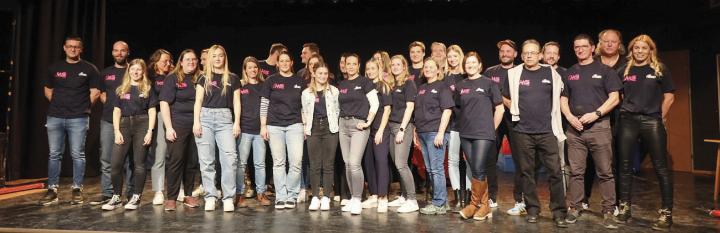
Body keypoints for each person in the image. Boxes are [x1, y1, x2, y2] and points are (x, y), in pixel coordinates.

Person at [502, 39, 568, 227]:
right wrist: (515, 108)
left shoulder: (551, 73)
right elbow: (505, 97)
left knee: (555, 172)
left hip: (547, 131)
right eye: (526, 53)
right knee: (527, 172)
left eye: (533, 52)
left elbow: (561, 96)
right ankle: (532, 209)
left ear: (540, 55)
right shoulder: (514, 73)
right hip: (523, 131)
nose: (529, 55)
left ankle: (558, 211)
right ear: (522, 56)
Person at [614, 34, 675, 231]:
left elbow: (669, 96)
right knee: (623, 166)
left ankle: (666, 213)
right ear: (631, 50)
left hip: (651, 121)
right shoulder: (624, 70)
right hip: (628, 121)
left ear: (651, 50)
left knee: (661, 168)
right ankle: (624, 207)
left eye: (644, 48)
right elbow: (620, 95)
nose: (640, 51)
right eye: (636, 48)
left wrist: (659, 117)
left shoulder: (659, 69)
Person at [561, 34, 622, 229]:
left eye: (584, 46)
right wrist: (570, 117)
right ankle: (575, 207)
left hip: (599, 127)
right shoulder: (569, 72)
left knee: (605, 172)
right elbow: (563, 99)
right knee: (576, 172)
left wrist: (596, 114)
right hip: (575, 129)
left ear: (593, 48)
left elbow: (615, 97)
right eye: (576, 47)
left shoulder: (605, 71)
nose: (580, 50)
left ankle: (609, 211)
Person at [39, 36, 101, 206]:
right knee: (54, 154)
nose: (73, 49)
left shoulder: (89, 69)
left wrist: (82, 108)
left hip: (79, 118)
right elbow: (47, 89)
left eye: (76, 47)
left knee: (77, 154)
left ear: (81, 49)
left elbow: (95, 91)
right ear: (64, 48)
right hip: (55, 116)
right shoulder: (55, 67)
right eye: (70, 46)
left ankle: (77, 189)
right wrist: (60, 105)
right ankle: (52, 190)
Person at [102, 59, 157, 211]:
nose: (135, 72)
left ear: (143, 71)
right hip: (124, 125)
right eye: (133, 69)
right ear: (129, 71)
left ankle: (136, 196)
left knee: (139, 164)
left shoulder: (147, 88)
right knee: (115, 164)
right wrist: (116, 130)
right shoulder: (121, 89)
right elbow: (116, 111)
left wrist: (149, 131)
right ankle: (116, 197)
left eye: (139, 69)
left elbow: (152, 110)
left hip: (142, 123)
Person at [455, 52, 504, 221]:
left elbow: (500, 109)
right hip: (466, 133)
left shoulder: (489, 83)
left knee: (479, 168)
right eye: (467, 62)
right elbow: (458, 109)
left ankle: (475, 204)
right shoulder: (460, 85)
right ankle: (484, 206)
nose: (470, 65)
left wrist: (491, 128)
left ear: (480, 65)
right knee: (476, 169)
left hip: (483, 133)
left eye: (473, 62)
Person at [193, 45, 241, 212]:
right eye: (215, 56)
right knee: (206, 160)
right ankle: (210, 196)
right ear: (210, 58)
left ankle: (228, 197)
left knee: (230, 158)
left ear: (225, 58)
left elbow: (236, 102)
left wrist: (236, 123)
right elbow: (198, 101)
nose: (218, 59)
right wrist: (196, 122)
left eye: (221, 56)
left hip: (225, 119)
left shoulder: (233, 78)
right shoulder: (203, 77)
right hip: (205, 118)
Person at [90, 41, 134, 206]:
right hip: (108, 120)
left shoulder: (134, 70)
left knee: (130, 160)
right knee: (107, 158)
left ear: (128, 52)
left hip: (130, 120)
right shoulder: (105, 73)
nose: (119, 53)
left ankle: (131, 194)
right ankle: (109, 193)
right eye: (116, 50)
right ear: (112, 52)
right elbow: (101, 93)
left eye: (123, 51)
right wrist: (113, 106)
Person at [260, 51, 305, 209]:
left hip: (295, 125)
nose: (285, 63)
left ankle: (291, 195)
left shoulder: (300, 81)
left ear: (292, 62)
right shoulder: (270, 80)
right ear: (277, 63)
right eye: (282, 61)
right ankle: (281, 196)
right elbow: (264, 103)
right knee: (279, 162)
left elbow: (304, 106)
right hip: (275, 126)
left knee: (296, 162)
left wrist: (305, 126)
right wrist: (263, 126)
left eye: (288, 61)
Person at [159, 49, 202, 211]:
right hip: (177, 124)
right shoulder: (173, 78)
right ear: (181, 62)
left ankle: (188, 194)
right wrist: (169, 127)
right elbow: (164, 103)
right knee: (176, 161)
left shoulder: (200, 78)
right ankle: (171, 197)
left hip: (197, 125)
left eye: (194, 59)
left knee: (191, 161)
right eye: (188, 59)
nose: (191, 62)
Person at [337, 53, 379, 215]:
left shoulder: (365, 82)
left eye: (354, 64)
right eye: (348, 64)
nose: (351, 66)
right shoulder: (342, 84)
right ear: (345, 65)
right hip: (343, 125)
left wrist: (368, 122)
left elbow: (374, 104)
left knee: (355, 163)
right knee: (347, 163)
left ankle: (357, 198)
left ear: (358, 65)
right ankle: (354, 198)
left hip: (358, 126)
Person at [483, 39, 519, 212]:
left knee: (520, 161)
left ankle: (519, 199)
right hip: (494, 119)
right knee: (490, 159)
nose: (505, 54)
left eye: (508, 51)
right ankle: (491, 197)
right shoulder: (490, 72)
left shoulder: (521, 71)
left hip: (515, 120)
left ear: (515, 54)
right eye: (502, 51)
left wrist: (501, 98)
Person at [415, 58, 454, 215]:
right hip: (423, 132)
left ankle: (438, 203)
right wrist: (415, 132)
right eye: (426, 67)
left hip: (434, 133)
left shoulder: (442, 87)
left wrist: (440, 132)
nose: (428, 69)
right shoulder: (422, 88)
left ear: (438, 70)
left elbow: (447, 110)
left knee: (437, 169)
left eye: (431, 67)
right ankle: (442, 201)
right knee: (430, 169)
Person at [301, 62, 340, 211]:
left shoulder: (334, 91)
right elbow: (304, 111)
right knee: (315, 164)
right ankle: (316, 196)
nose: (322, 76)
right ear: (314, 74)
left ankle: (326, 197)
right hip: (314, 128)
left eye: (325, 73)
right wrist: (305, 126)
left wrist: (334, 126)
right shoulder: (306, 93)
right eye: (320, 73)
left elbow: (337, 110)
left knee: (328, 165)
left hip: (330, 128)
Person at [236, 56, 272, 207]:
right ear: (245, 69)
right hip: (244, 130)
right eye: (249, 67)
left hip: (259, 131)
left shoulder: (264, 85)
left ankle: (260, 193)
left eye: (255, 67)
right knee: (241, 164)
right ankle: (239, 194)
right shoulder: (240, 86)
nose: (253, 70)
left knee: (260, 164)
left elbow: (268, 107)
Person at [387, 55, 420, 213]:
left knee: (402, 164)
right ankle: (404, 196)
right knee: (397, 164)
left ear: (404, 66)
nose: (395, 67)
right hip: (391, 126)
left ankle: (412, 200)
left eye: (398, 64)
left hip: (402, 127)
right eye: (392, 64)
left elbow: (410, 107)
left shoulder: (409, 83)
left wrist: (402, 129)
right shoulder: (392, 84)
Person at [360, 58, 394, 213]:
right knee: (369, 162)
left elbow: (387, 109)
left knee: (380, 161)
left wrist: (380, 130)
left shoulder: (383, 86)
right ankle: (373, 194)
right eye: (368, 68)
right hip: (366, 129)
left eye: (373, 68)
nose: (370, 71)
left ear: (379, 69)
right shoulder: (365, 86)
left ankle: (383, 196)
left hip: (380, 128)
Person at [445, 45, 472, 210]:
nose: (452, 59)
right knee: (453, 161)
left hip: (468, 125)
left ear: (461, 57)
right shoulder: (445, 78)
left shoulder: (467, 75)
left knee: (469, 161)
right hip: (453, 125)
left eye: (455, 56)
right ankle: (457, 197)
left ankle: (468, 196)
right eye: (450, 56)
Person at [147, 49, 175, 205]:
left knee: (175, 155)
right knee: (159, 155)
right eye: (165, 60)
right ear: (156, 61)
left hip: (175, 116)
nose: (168, 63)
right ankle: (158, 191)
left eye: (170, 61)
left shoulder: (174, 76)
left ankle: (178, 189)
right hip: (158, 116)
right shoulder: (150, 78)